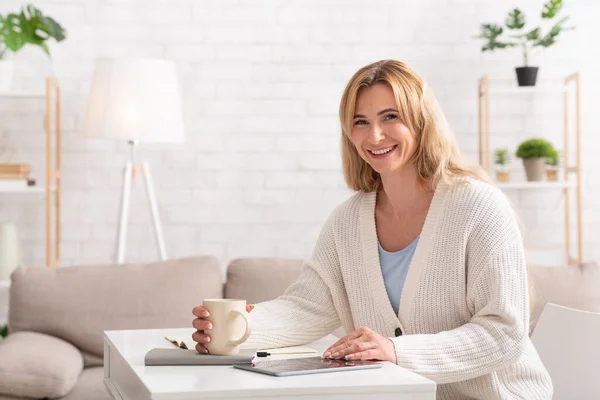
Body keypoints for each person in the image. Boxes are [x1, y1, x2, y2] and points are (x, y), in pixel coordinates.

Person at [191, 60, 553, 399]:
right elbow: (308, 306)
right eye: (360, 121)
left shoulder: (478, 206)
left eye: (390, 117)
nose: (374, 135)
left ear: (421, 121)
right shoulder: (347, 221)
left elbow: (504, 332)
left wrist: (395, 350)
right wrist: (238, 328)